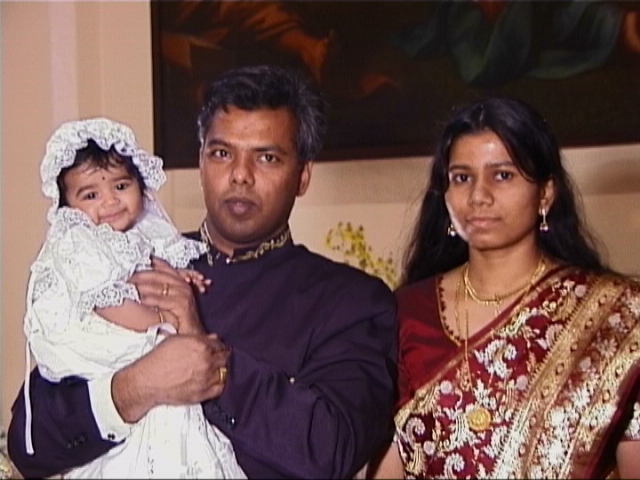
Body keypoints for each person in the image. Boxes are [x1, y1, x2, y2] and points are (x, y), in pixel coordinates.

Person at [8, 65, 398, 479]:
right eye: (222, 153)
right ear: (200, 161)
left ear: (302, 175)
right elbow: (28, 443)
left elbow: (332, 450)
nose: (240, 175)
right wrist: (133, 388)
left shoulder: (353, 303)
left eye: (267, 157)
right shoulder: (131, 264)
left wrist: (212, 365)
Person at [371, 97, 640, 478]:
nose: (478, 196)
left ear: (545, 193)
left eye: (502, 175)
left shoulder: (618, 315)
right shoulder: (407, 314)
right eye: (462, 178)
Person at [17, 117, 247, 478]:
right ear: (68, 208)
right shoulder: (80, 244)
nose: (110, 201)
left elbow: (150, 273)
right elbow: (110, 302)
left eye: (121, 186)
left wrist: (180, 278)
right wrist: (163, 322)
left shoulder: (139, 237)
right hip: (105, 347)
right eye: (90, 195)